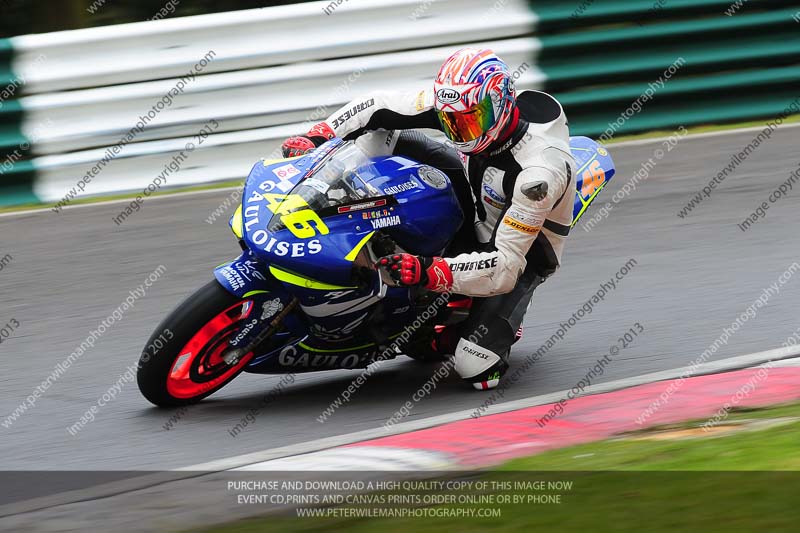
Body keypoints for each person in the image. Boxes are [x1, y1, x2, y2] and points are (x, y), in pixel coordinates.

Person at [281, 48, 574, 390]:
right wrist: (319, 134)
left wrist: (426, 270)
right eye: (451, 120)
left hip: (520, 251)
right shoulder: (463, 106)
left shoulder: (537, 176)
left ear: (502, 105)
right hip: (475, 196)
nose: (460, 131)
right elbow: (378, 105)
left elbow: (506, 267)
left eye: (469, 120)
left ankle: (485, 322)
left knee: (476, 369)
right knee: (382, 134)